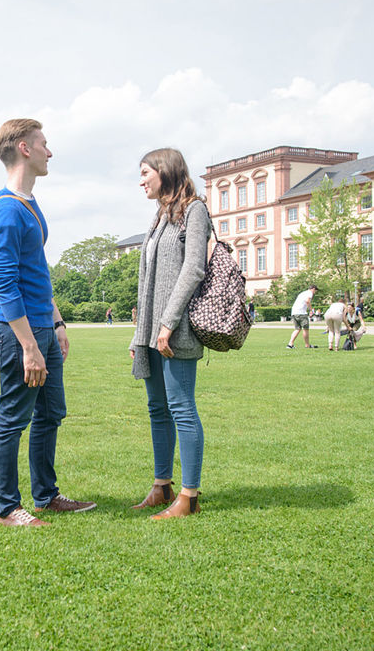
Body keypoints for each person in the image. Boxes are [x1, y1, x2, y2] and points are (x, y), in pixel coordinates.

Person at [0, 118, 94, 527]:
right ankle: (8, 508)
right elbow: (7, 286)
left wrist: (58, 322)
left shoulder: (30, 205)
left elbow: (37, 272)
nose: (51, 152)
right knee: (13, 418)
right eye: (44, 144)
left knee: (51, 413)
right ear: (24, 149)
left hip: (43, 330)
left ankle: (46, 496)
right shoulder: (6, 211)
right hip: (17, 335)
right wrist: (30, 346)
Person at [129, 148, 210, 519]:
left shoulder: (194, 210)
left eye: (145, 172)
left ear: (165, 171)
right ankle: (162, 487)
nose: (141, 180)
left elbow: (193, 269)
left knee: (181, 409)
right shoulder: (161, 216)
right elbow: (147, 282)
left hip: (176, 331)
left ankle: (189, 496)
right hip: (151, 331)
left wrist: (167, 322)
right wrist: (139, 335)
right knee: (157, 410)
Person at [287, 285, 317, 349]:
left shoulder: (303, 293)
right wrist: (311, 311)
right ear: (313, 289)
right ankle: (307, 345)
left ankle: (290, 344)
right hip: (301, 313)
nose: (315, 292)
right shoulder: (309, 293)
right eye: (315, 291)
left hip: (294, 312)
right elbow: (307, 301)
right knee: (306, 329)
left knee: (297, 329)